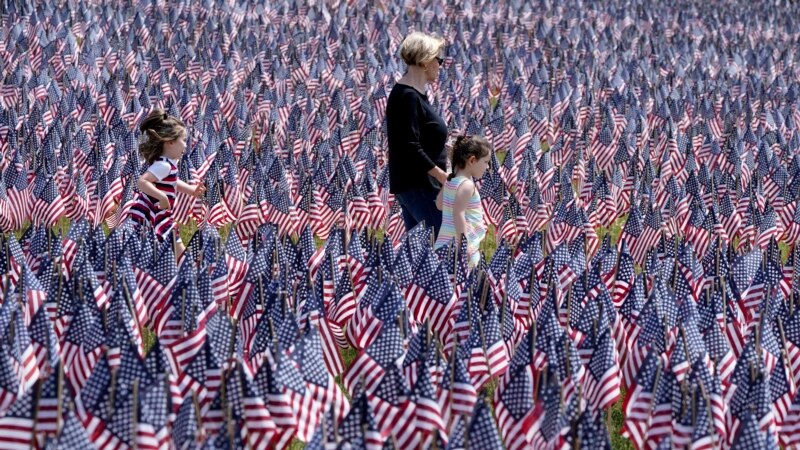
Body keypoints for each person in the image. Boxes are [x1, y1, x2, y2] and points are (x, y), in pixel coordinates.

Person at [386, 31, 448, 238]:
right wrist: (441, 175)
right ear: (425, 62)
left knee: (420, 253)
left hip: (418, 185)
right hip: (420, 186)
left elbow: (421, 137)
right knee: (441, 249)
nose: (440, 65)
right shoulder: (407, 96)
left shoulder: (415, 93)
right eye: (439, 60)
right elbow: (409, 145)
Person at [129, 109, 205, 260]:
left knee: (167, 250)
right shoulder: (164, 166)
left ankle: (183, 270)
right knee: (176, 251)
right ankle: (187, 271)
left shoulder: (169, 165)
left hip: (160, 215)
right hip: (151, 215)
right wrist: (162, 196)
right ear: (170, 141)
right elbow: (142, 182)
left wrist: (191, 190)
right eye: (183, 140)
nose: (185, 145)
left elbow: (172, 181)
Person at [434, 135, 491, 268]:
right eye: (485, 162)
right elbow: (457, 214)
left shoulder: (451, 181)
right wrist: (464, 246)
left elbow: (439, 205)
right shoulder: (467, 185)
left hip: (443, 243)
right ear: (472, 160)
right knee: (467, 284)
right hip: (461, 246)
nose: (487, 167)